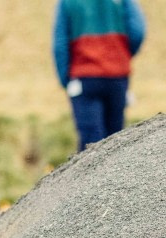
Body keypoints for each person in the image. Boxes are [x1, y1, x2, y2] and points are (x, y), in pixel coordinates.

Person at [52, 0, 146, 151]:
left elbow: (60, 42)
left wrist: (66, 79)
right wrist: (121, 56)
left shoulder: (67, 2)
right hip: (117, 78)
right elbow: (137, 31)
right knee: (116, 142)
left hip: (84, 79)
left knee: (91, 144)